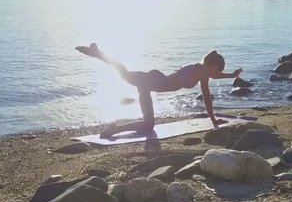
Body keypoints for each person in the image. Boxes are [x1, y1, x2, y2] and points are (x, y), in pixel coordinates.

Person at [76, 43, 243, 138]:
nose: (217, 73)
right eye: (218, 69)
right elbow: (207, 96)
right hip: (154, 81)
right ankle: (98, 53)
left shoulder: (202, 71)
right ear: (212, 66)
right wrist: (213, 121)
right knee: (124, 74)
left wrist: (231, 75)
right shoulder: (201, 72)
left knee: (148, 125)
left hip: (151, 83)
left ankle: (114, 129)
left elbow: (214, 78)